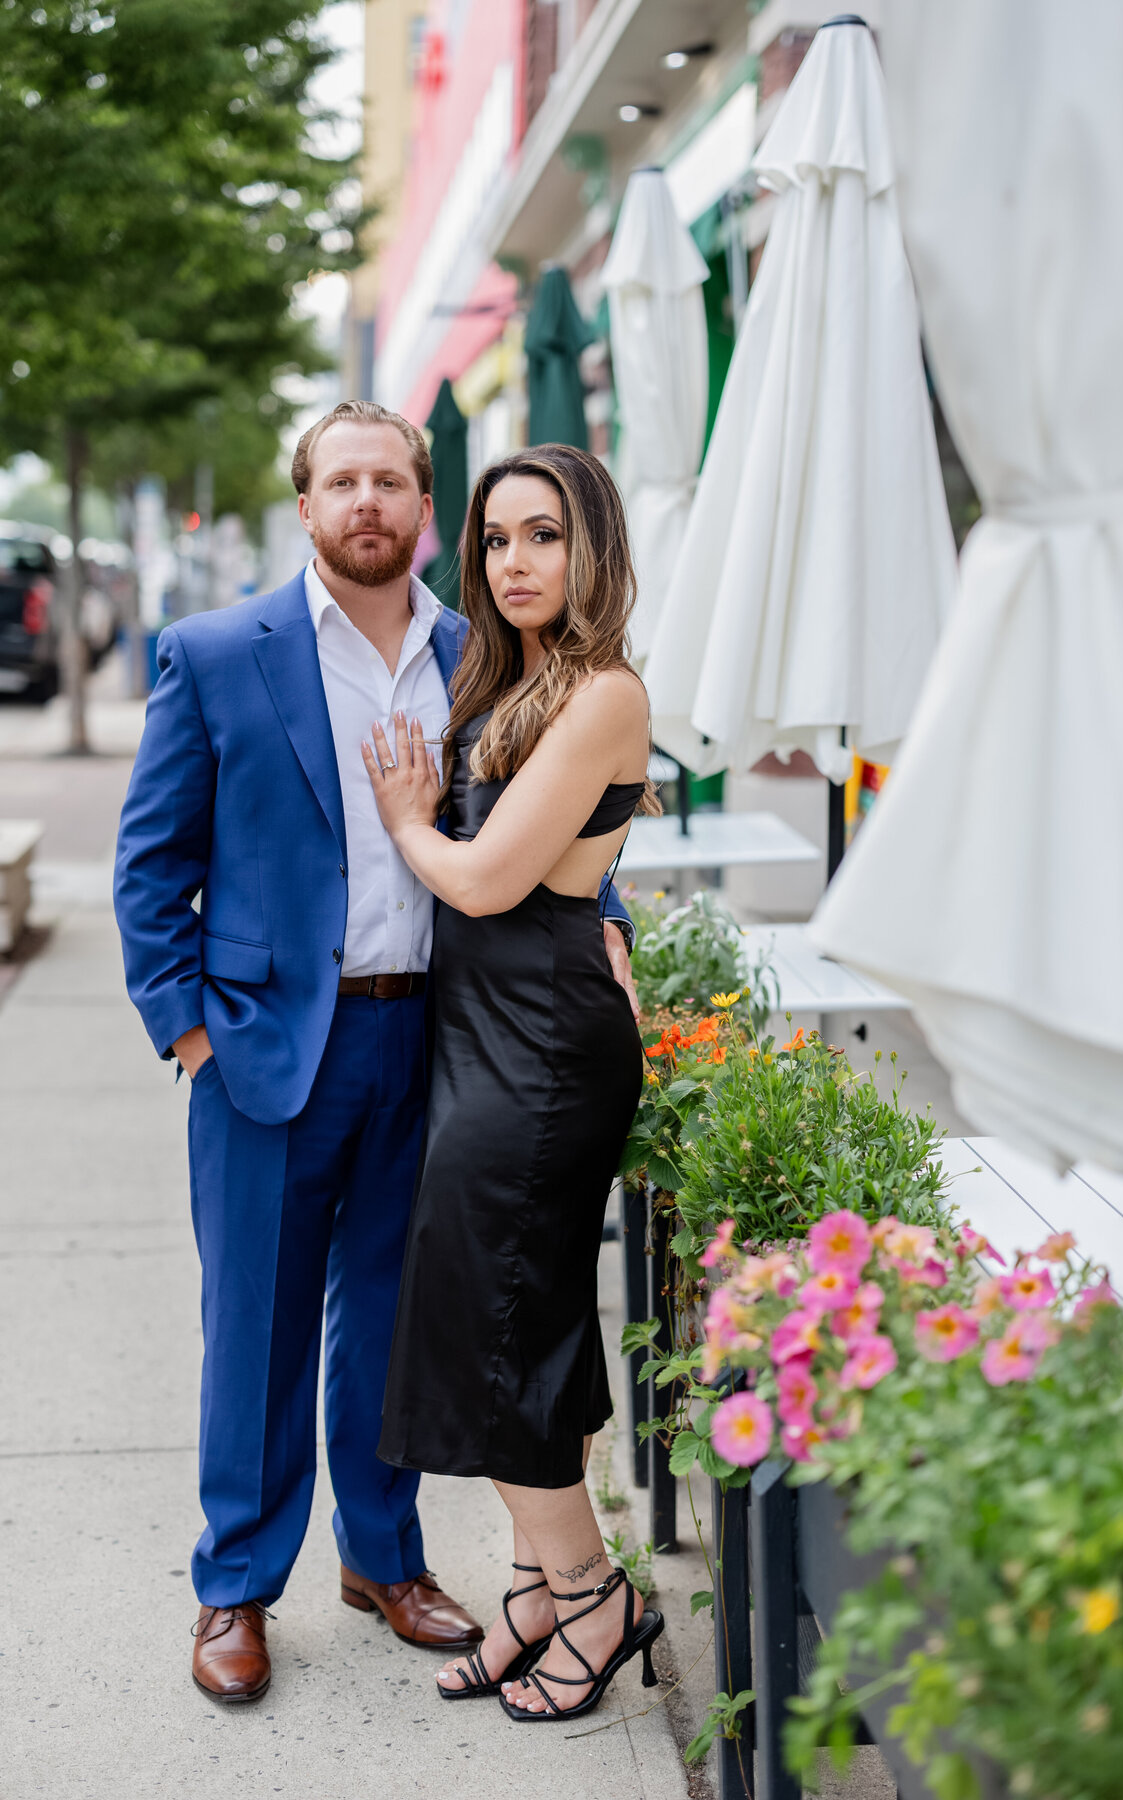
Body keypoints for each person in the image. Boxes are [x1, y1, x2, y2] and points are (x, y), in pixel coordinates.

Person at [112, 403, 637, 1704]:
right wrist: (189, 1033)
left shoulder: (483, 650)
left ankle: (386, 1560)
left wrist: (611, 930)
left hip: (440, 1044)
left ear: (420, 504)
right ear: (304, 505)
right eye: (341, 480)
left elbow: (554, 816)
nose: (367, 501)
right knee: (259, 1326)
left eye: (391, 480)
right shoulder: (220, 651)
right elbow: (148, 865)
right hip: (262, 1053)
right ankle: (235, 1587)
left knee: (398, 1329)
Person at [362, 444, 665, 1721]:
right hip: (491, 1026)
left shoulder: (603, 690)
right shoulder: (511, 677)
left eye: (542, 536)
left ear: (588, 545)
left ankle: (596, 1598)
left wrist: (407, 825)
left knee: (501, 1320)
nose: (516, 562)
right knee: (485, 1308)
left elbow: (490, 880)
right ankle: (541, 1591)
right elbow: (561, 868)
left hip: (542, 1046)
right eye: (494, 540)